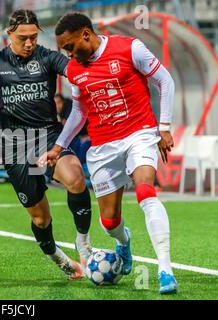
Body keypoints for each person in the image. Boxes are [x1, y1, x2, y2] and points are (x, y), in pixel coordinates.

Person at [39, 12, 177, 294]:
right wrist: (58, 147)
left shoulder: (130, 48)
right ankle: (123, 242)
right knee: (109, 221)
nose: (67, 54)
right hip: (102, 146)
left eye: (69, 47)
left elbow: (165, 81)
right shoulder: (75, 71)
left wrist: (163, 127)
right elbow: (80, 111)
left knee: (145, 192)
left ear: (86, 35)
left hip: (139, 133)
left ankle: (165, 269)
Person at [0, 9, 93, 280]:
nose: (30, 43)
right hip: (15, 145)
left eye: (33, 37)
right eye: (23, 38)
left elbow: (76, 71)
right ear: (9, 35)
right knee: (41, 219)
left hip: (48, 137)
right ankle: (54, 253)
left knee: (76, 178)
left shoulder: (48, 57)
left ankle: (84, 243)